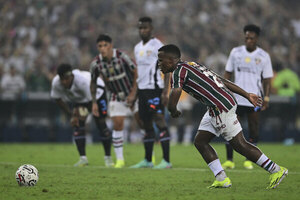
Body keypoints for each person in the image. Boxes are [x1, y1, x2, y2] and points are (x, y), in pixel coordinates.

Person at [158, 44, 287, 189]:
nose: (159, 64)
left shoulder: (178, 72)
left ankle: (276, 169)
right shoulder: (191, 65)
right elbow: (221, 80)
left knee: (240, 145)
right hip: (219, 104)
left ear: (170, 60)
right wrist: (246, 94)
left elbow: (175, 92)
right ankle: (221, 178)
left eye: (161, 60)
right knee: (200, 141)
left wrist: (172, 110)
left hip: (221, 108)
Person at [222, 24, 273, 170]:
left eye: (251, 38)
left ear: (257, 38)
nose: (248, 40)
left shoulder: (263, 56)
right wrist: (225, 91)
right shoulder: (236, 52)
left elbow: (267, 79)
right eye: (246, 38)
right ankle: (229, 160)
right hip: (236, 98)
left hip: (254, 98)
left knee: (253, 128)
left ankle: (249, 159)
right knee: (231, 127)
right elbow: (227, 73)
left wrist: (267, 97)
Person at [90, 34, 138, 168]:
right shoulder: (96, 63)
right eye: (100, 46)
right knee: (117, 124)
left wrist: (134, 93)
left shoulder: (122, 56)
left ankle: (149, 156)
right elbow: (93, 83)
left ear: (111, 46)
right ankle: (120, 160)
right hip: (115, 95)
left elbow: (136, 71)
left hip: (132, 93)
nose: (103, 48)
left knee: (143, 123)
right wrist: (94, 102)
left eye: (105, 45)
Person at [51, 63, 113, 167]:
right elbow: (58, 100)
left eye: (67, 79)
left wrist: (79, 114)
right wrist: (71, 115)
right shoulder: (56, 83)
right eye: (62, 79)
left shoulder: (82, 82)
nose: (64, 82)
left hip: (97, 94)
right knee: (78, 125)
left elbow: (90, 102)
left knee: (101, 125)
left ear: (71, 76)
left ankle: (108, 158)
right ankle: (83, 159)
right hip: (80, 99)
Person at [130, 17, 171, 169]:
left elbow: (167, 70)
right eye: (140, 28)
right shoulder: (137, 48)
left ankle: (166, 161)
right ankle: (148, 160)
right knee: (146, 124)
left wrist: (165, 92)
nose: (142, 31)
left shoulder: (158, 46)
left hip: (154, 90)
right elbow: (138, 73)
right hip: (142, 92)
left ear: (151, 28)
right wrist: (134, 94)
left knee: (159, 121)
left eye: (145, 28)